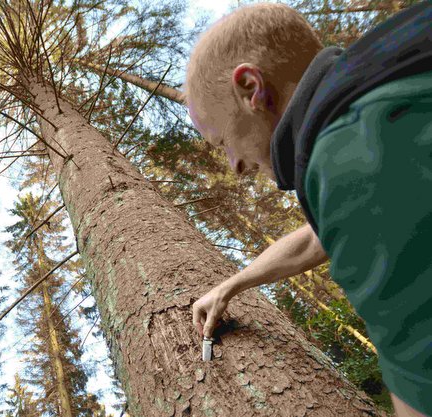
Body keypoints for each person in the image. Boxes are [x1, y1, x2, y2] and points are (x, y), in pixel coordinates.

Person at [185, 2, 431, 416]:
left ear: (250, 88)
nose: (235, 167)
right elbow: (316, 239)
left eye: (222, 143)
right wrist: (232, 285)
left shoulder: (352, 163)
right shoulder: (382, 87)